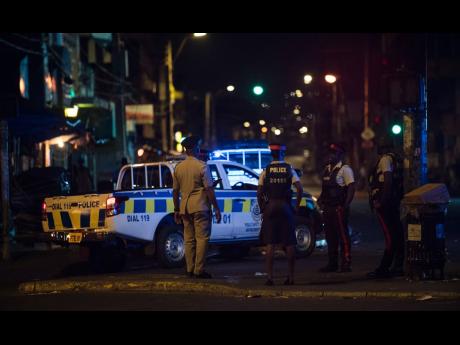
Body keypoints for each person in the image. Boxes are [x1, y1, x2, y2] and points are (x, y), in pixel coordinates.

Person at [172, 135, 222, 279]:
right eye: (198, 146)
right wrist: (217, 208)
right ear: (194, 148)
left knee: (188, 239)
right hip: (200, 207)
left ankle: (189, 269)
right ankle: (198, 270)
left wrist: (176, 209)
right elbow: (209, 190)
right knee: (202, 239)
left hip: (185, 209)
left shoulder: (178, 168)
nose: (200, 149)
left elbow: (175, 191)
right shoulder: (202, 166)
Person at [257, 143, 303, 286]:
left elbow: (259, 192)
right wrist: (295, 206)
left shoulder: (266, 170)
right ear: (282, 154)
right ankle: (291, 277)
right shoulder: (289, 170)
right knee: (289, 243)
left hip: (270, 207)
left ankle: (270, 278)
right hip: (285, 207)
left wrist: (262, 207)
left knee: (270, 244)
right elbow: (299, 189)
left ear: (272, 154)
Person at [367, 140, 404, 279]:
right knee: (397, 234)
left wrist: (381, 202)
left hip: (386, 204)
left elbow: (387, 181)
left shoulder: (385, 160)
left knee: (390, 236)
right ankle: (397, 266)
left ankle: (384, 268)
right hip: (393, 202)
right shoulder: (396, 159)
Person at [317, 143, 356, 273]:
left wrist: (346, 204)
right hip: (328, 208)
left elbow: (351, 187)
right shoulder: (327, 169)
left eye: (334, 153)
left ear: (340, 155)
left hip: (339, 208)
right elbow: (325, 189)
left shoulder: (345, 170)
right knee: (330, 236)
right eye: (329, 153)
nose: (330, 156)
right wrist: (320, 200)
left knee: (343, 236)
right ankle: (332, 263)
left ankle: (346, 263)